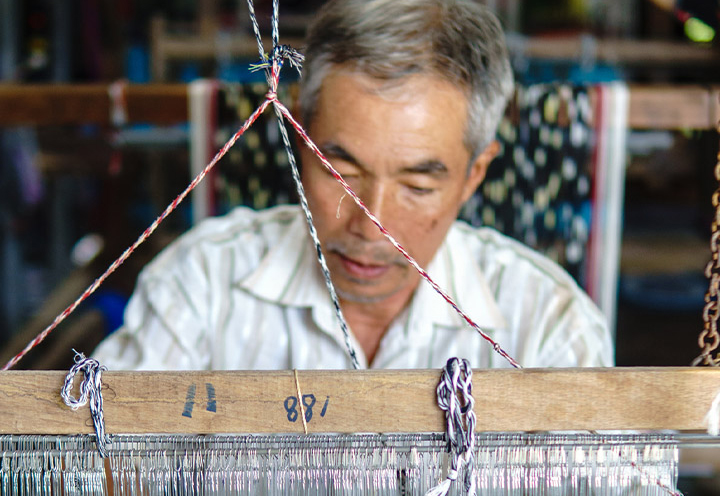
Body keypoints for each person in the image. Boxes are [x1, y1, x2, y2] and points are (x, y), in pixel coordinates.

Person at [94, 0, 613, 371]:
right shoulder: (201, 283)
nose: (371, 226)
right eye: (341, 172)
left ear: (474, 174)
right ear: (299, 137)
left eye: (417, 185)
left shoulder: (549, 326)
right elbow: (90, 468)